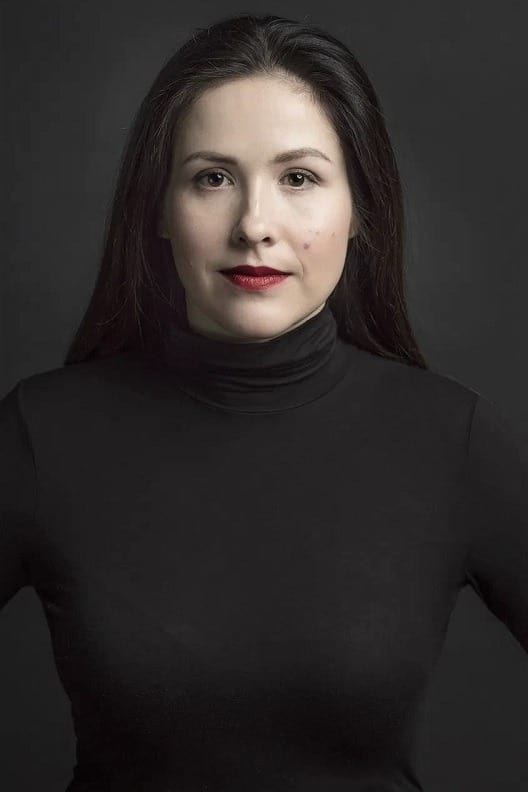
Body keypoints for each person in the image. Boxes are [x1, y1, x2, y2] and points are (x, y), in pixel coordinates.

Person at [1, 11, 526, 792]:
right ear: (158, 209)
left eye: (299, 178)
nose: (254, 225)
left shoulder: (452, 438)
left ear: (360, 210)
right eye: (212, 178)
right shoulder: (44, 433)